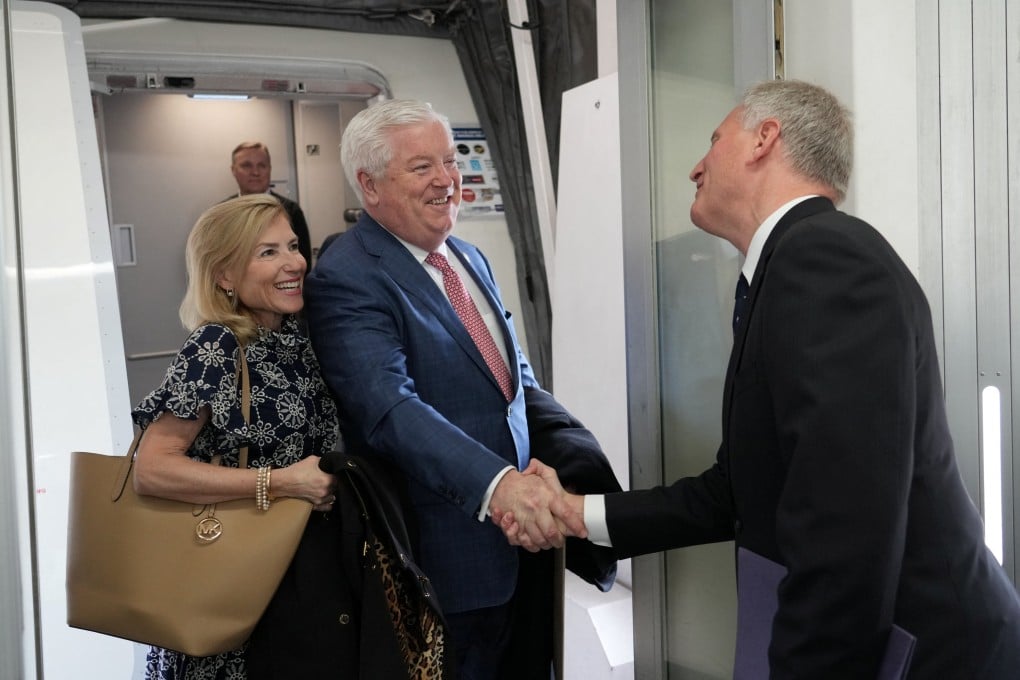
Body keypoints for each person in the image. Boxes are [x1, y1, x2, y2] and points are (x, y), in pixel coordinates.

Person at [503, 79, 1020, 678]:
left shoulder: (824, 258)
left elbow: (845, 529)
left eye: (714, 140)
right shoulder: (790, 264)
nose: (696, 167)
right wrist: (576, 513)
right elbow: (737, 490)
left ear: (763, 139)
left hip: (933, 652)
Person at [304, 99, 608, 679]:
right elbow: (390, 410)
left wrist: (569, 461)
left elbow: (512, 381)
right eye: (422, 167)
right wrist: (500, 487)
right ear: (369, 185)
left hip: (529, 543)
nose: (447, 179)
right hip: (446, 563)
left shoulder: (467, 256)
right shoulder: (347, 277)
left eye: (450, 160)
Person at [132, 194, 339, 679]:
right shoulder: (217, 345)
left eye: (293, 246)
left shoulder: (295, 337)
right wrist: (280, 482)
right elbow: (152, 468)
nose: (294, 263)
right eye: (267, 252)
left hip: (297, 576)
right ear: (224, 275)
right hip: (234, 585)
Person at [226, 141, 312, 267]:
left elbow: (303, 262)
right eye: (247, 166)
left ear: (270, 169)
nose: (255, 172)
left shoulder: (291, 211)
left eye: (262, 165)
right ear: (233, 170)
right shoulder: (221, 213)